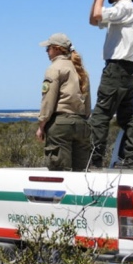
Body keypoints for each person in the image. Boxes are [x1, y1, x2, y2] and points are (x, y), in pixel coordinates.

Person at [88, 0, 133, 170]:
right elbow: (93, 21)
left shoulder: (125, 8)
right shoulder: (123, 10)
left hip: (117, 68)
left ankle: (93, 160)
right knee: (127, 115)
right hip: (127, 68)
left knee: (101, 115)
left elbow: (96, 16)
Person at [36, 33, 92, 171]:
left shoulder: (54, 68)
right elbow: (88, 104)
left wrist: (42, 125)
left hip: (60, 124)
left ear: (57, 49)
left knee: (60, 173)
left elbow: (48, 100)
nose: (47, 52)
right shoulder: (81, 70)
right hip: (81, 124)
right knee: (81, 173)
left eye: (48, 49)